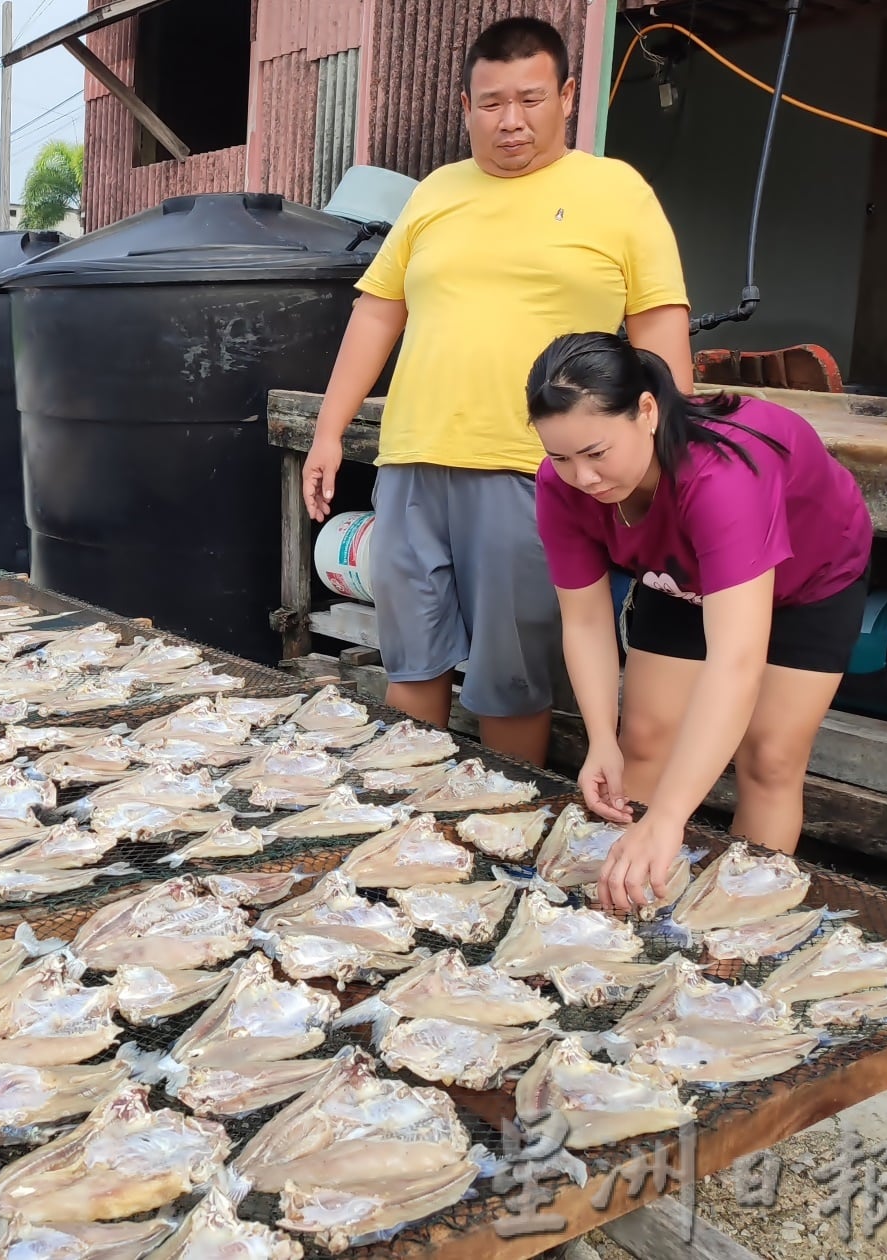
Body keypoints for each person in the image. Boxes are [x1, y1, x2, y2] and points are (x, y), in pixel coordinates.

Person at [302, 16, 692, 767]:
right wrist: (329, 431)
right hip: (413, 463)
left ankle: (501, 831)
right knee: (412, 663)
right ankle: (414, 826)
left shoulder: (615, 191)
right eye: (491, 103)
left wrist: (667, 461)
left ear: (568, 95)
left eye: (531, 99)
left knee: (510, 683)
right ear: (465, 106)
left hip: (536, 472)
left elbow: (660, 330)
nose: (511, 121)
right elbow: (379, 311)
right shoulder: (438, 193)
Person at [529, 331, 873, 914]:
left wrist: (668, 816)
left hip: (807, 581)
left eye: (595, 453)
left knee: (769, 758)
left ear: (646, 411)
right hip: (676, 575)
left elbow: (735, 664)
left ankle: (739, 925)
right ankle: (620, 912)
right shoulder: (561, 487)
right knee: (641, 742)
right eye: (561, 457)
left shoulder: (721, 477)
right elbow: (585, 620)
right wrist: (600, 741)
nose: (582, 477)